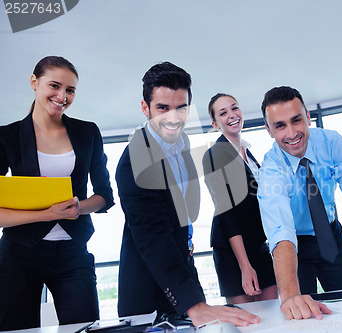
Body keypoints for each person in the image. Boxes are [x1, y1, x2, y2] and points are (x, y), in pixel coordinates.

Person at [115, 61, 260, 327]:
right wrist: (193, 304)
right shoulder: (135, 160)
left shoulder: (183, 144)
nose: (173, 118)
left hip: (184, 274)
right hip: (149, 290)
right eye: (162, 108)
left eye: (180, 108)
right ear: (145, 108)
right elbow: (153, 236)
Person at [257, 86, 342, 321]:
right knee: (301, 316)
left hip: (330, 237)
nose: (291, 133)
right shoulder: (271, 169)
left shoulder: (331, 143)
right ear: (269, 131)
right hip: (294, 248)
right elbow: (281, 230)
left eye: (296, 120)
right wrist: (290, 296)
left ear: (308, 118)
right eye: (280, 126)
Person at [0, 56, 114, 330]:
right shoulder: (8, 137)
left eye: (70, 90)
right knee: (17, 329)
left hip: (73, 251)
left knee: (84, 327)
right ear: (34, 83)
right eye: (54, 85)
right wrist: (47, 214)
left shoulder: (87, 133)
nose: (62, 96)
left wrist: (78, 208)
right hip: (19, 253)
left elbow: (105, 196)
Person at [202, 93, 278, 305]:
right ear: (215, 123)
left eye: (234, 108)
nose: (232, 115)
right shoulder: (215, 155)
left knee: (273, 314)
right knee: (246, 322)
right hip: (233, 251)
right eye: (223, 113)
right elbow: (226, 211)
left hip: (257, 244)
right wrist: (245, 266)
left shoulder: (248, 152)